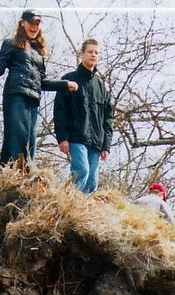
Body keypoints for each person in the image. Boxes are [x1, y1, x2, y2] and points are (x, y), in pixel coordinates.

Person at [0, 9, 78, 168]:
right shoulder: (11, 43)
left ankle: (12, 171)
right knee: (18, 135)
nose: (34, 27)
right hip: (16, 94)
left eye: (37, 24)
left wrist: (64, 84)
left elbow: (43, 82)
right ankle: (18, 173)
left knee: (30, 140)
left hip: (33, 98)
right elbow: (1, 65)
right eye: (31, 23)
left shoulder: (39, 52)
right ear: (22, 23)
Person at [53, 38, 113, 194]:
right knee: (82, 171)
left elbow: (108, 117)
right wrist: (62, 137)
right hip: (75, 137)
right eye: (90, 52)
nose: (93, 55)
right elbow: (60, 110)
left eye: (96, 53)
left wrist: (106, 145)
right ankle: (68, 204)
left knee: (92, 181)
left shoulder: (101, 85)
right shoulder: (69, 79)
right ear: (82, 54)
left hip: (96, 141)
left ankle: (82, 212)